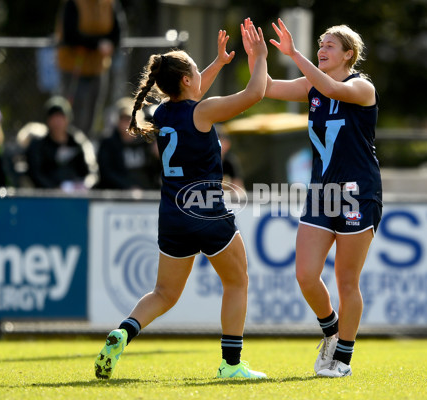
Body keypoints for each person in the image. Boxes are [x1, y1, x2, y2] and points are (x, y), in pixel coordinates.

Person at [94, 26, 268, 380]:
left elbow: (191, 89)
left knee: (163, 293)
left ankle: (125, 330)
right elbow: (255, 93)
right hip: (206, 211)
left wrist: (218, 62)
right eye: (196, 70)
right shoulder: (202, 112)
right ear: (188, 80)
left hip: (172, 215)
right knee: (237, 282)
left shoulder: (162, 115)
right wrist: (260, 58)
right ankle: (231, 366)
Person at [243, 18, 382, 377]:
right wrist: (258, 57)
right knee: (306, 275)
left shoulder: (362, 86)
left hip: (357, 193)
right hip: (321, 193)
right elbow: (267, 88)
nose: (322, 49)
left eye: (329, 45)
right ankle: (331, 332)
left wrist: (294, 54)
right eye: (320, 43)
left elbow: (333, 91)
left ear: (348, 55)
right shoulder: (312, 85)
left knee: (347, 282)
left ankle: (344, 361)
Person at [55, 0, 122, 136]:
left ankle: (86, 144)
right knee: (74, 111)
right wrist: (97, 44)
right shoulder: (74, 3)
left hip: (98, 68)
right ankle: (69, 142)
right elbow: (70, 35)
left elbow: (117, 32)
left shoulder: (109, 4)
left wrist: (109, 44)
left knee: (93, 111)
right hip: (74, 67)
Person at [26, 96, 98, 191]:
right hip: (48, 198)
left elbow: (92, 171)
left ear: (68, 119)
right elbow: (35, 174)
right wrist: (55, 189)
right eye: (53, 117)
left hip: (76, 198)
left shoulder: (78, 142)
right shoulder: (38, 146)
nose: (57, 121)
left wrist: (84, 186)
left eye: (61, 116)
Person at [96, 97, 160, 190]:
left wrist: (159, 157)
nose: (127, 123)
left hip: (147, 193)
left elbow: (157, 172)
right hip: (119, 194)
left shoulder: (148, 142)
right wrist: (128, 187)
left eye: (130, 118)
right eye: (123, 119)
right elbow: (106, 173)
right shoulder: (108, 144)